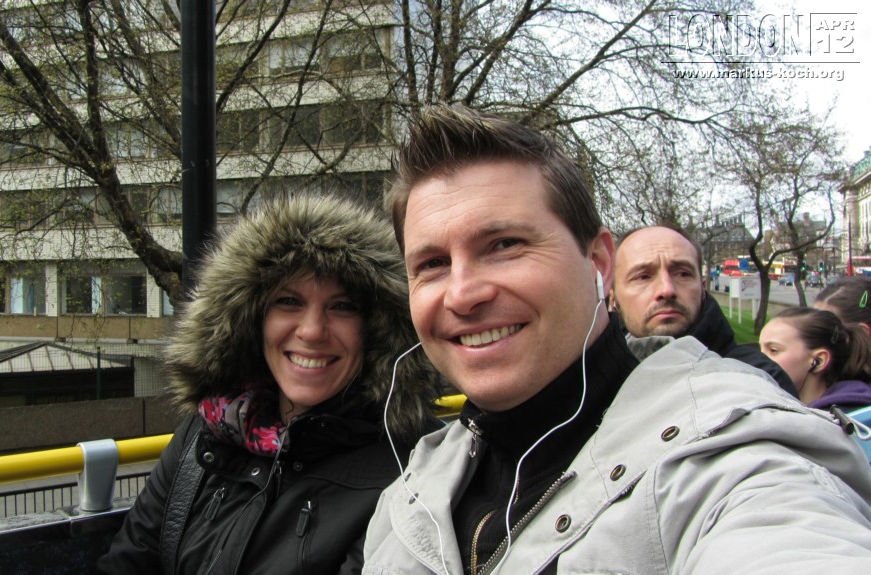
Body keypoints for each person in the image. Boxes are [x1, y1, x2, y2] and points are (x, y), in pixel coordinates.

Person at [362, 104, 871, 574]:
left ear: (598, 263)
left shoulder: (729, 457)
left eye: (504, 245)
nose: (462, 294)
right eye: (432, 264)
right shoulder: (409, 495)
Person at [96, 194, 442, 574]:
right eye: (289, 301)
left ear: (376, 329)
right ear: (252, 319)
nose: (311, 331)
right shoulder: (204, 435)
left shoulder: (414, 468)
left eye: (343, 306)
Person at [611, 225, 796, 395]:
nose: (666, 289)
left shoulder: (761, 379)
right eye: (643, 277)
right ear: (613, 297)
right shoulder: (600, 382)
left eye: (683, 274)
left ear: (703, 287)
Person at [759, 306, 871, 410]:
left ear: (819, 360)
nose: (760, 359)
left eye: (773, 350)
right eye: (760, 349)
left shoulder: (851, 419)